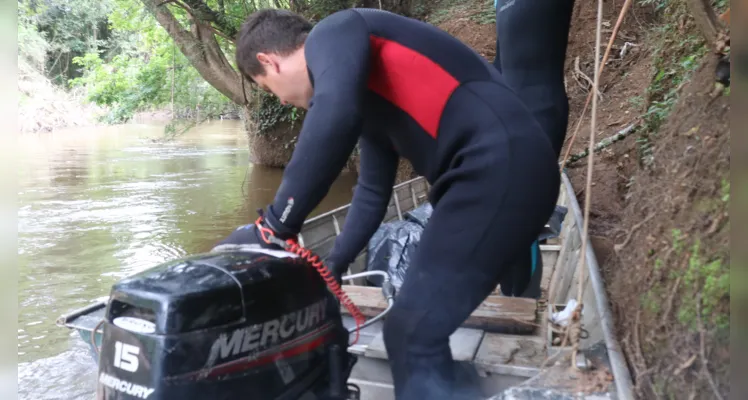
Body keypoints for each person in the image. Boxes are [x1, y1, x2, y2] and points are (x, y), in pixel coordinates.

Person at [215, 8, 560, 400]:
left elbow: (334, 114)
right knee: (416, 333)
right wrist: (335, 264)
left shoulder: (336, 30)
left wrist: (275, 226)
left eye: (267, 88)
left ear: (269, 62)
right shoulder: (364, 95)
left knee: (411, 333)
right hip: (492, 177)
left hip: (502, 168)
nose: (281, 99)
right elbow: (372, 193)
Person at [491, 0, 576, 300]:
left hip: (542, 115)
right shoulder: (500, 2)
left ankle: (525, 300)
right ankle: (510, 299)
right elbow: (500, 66)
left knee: (519, 217)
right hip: (506, 120)